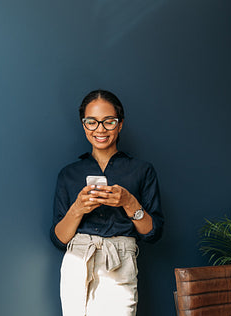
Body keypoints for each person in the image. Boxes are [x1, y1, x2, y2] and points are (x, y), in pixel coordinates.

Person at [50, 89, 164, 316]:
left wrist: (129, 202)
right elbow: (59, 239)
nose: (100, 129)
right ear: (84, 125)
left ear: (120, 124)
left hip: (119, 260)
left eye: (108, 122)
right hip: (77, 260)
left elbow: (153, 233)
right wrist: (78, 209)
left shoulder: (142, 170)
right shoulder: (68, 174)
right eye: (91, 122)